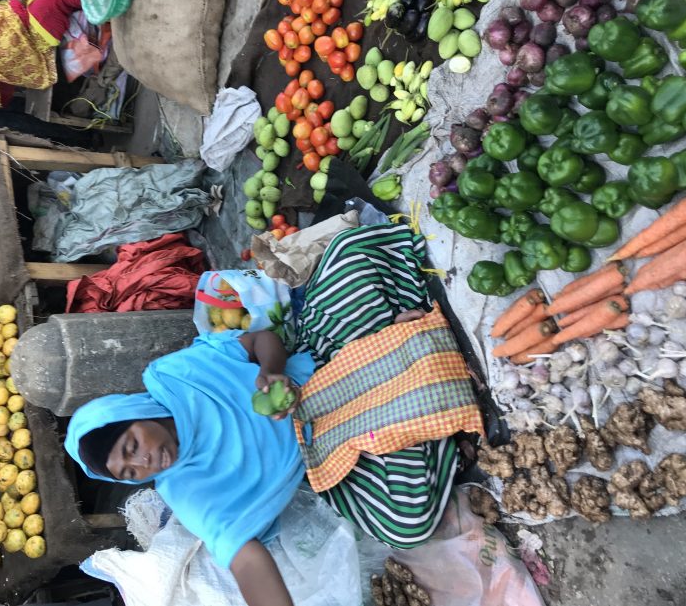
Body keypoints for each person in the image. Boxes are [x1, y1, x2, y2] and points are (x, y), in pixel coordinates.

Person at [65, 223, 483, 606]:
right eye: (130, 473)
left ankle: (408, 368)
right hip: (331, 451)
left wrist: (272, 371)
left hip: (321, 364)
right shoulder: (188, 494)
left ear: (135, 414)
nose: (143, 463)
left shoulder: (175, 377)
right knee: (403, 522)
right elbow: (245, 559)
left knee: (349, 254)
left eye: (132, 446)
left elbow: (260, 339)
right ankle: (411, 368)